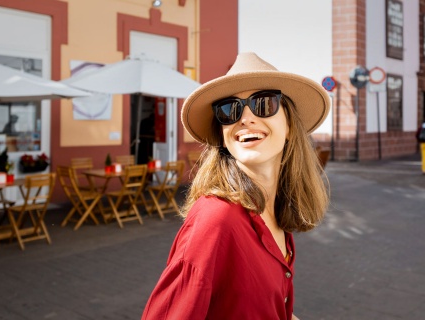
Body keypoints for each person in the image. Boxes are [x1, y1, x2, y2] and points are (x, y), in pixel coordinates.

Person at [141, 52, 330, 320]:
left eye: (264, 104)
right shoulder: (215, 219)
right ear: (222, 134)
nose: (245, 119)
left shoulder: (275, 211)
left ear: (289, 125)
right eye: (229, 110)